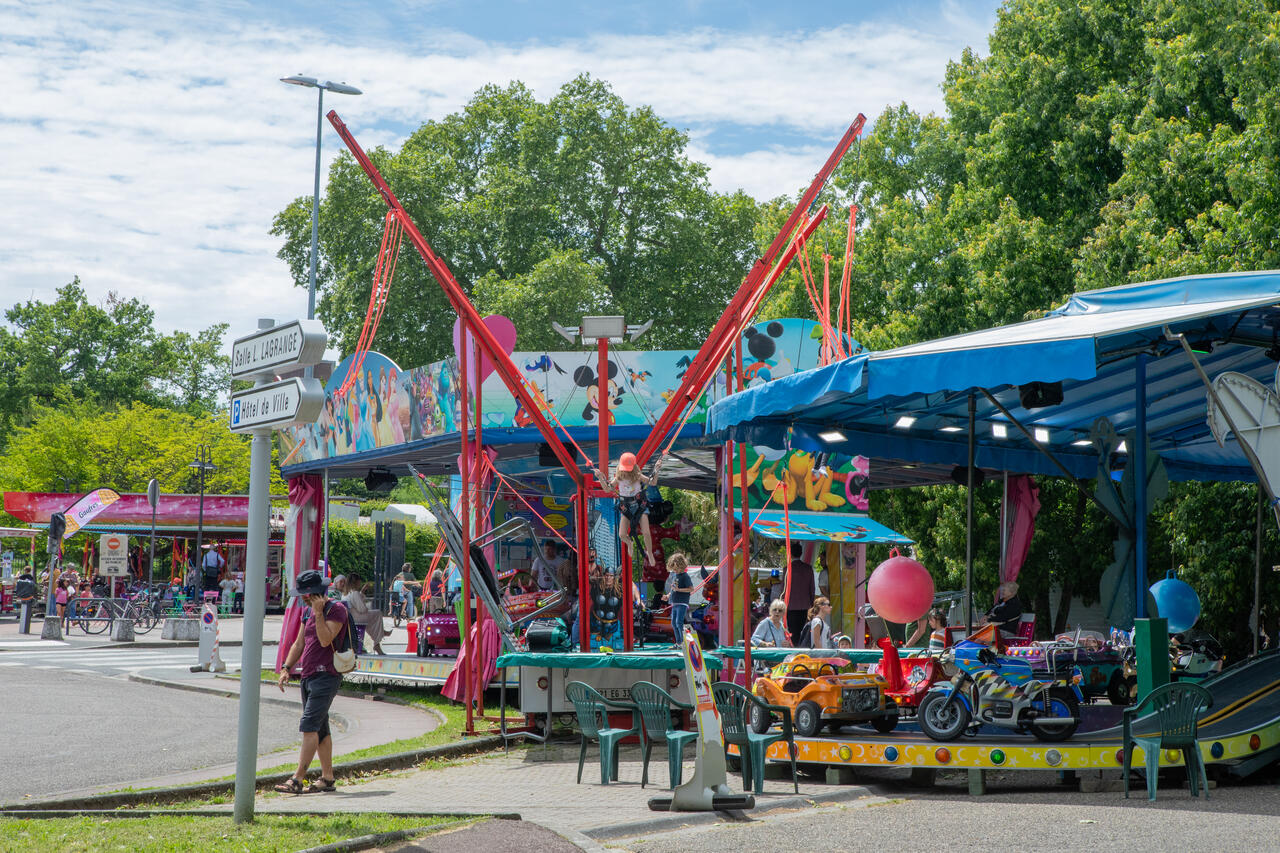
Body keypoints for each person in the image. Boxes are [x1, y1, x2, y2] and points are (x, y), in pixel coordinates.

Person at [274, 570, 347, 795]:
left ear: (317, 592)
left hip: (327, 676)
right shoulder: (307, 611)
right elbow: (299, 644)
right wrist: (286, 668)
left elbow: (325, 640)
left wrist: (318, 614)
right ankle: (327, 778)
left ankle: (297, 779)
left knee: (309, 726)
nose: (304, 599)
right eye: (302, 595)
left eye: (307, 595)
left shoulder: (336, 609)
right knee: (321, 729)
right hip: (308, 676)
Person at [594, 452, 661, 567]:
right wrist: (600, 478)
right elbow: (607, 489)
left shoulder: (638, 476)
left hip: (639, 506)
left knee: (646, 532)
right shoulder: (619, 478)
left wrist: (656, 470)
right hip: (626, 508)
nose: (627, 472)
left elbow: (652, 482)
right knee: (621, 535)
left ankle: (649, 553)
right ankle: (629, 543)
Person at [342, 578, 389, 655]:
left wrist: (362, 591)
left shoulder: (345, 593)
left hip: (352, 618)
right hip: (357, 618)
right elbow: (362, 609)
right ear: (355, 583)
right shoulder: (355, 593)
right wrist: (367, 606)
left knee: (372, 620)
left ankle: (381, 634)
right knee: (378, 613)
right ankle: (378, 639)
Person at [785, 543, 817, 645]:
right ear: (801, 553)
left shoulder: (787, 569)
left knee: (793, 632)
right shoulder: (808, 568)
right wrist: (811, 604)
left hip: (791, 606)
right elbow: (812, 588)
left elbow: (784, 589)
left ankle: (795, 650)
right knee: (804, 631)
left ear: (790, 554)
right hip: (805, 606)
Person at [668, 552, 693, 639]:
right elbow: (673, 589)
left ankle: (683, 640)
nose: (674, 571)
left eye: (676, 569)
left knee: (679, 622)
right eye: (673, 569)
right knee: (673, 623)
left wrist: (679, 590)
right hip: (675, 602)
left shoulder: (685, 576)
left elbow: (691, 589)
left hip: (682, 602)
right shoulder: (675, 575)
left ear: (681, 566)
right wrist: (668, 595)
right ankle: (679, 642)